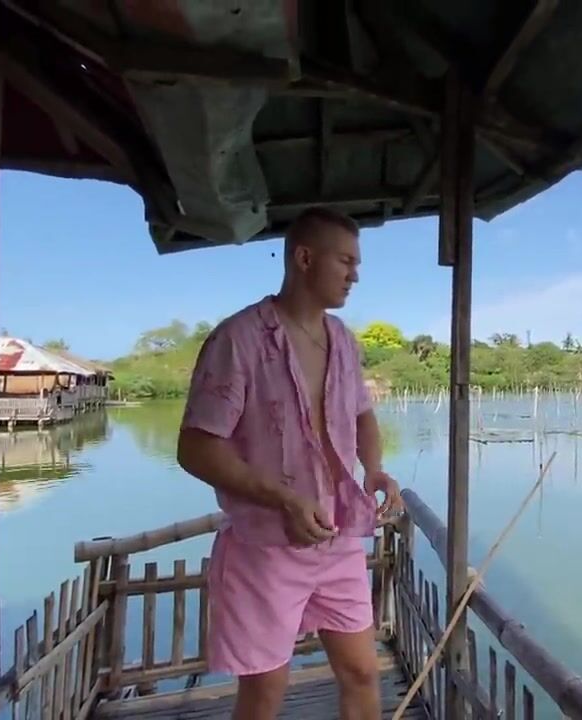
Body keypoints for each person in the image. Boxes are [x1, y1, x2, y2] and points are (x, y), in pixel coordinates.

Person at [176, 206, 403, 720]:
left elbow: (363, 417)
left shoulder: (343, 340)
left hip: (339, 538)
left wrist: (373, 468)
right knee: (265, 692)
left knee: (362, 672)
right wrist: (282, 498)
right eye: (345, 261)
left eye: (357, 263)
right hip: (266, 547)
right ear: (304, 258)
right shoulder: (238, 339)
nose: (355, 275)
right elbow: (196, 447)